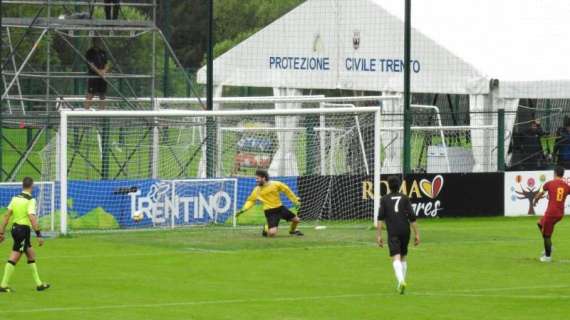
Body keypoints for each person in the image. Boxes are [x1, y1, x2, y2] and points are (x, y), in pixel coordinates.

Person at [0, 177, 50, 292]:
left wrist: (1, 231)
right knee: (15, 257)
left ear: (22, 186)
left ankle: (39, 284)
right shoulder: (30, 200)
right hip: (23, 231)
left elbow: (6, 216)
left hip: (15, 229)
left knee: (31, 255)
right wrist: (39, 235)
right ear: (31, 186)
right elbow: (32, 218)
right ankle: (3, 285)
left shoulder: (15, 198)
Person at [376, 176, 420, 294]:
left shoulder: (384, 199)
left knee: (396, 257)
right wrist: (417, 234)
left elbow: (380, 219)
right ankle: (400, 285)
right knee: (403, 256)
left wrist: (379, 236)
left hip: (393, 231)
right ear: (399, 185)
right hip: (406, 230)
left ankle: (401, 281)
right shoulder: (405, 198)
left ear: (388, 186)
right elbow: (412, 217)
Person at [237, 169, 303, 237]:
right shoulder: (256, 190)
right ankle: (266, 227)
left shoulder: (276, 184)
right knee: (272, 234)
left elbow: (287, 190)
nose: (256, 180)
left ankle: (292, 231)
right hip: (270, 212)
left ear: (264, 178)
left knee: (297, 220)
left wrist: (295, 201)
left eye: (257, 178)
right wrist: (244, 209)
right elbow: (250, 200)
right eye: (256, 178)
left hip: (280, 208)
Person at [533, 166, 570, 262]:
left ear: (554, 173)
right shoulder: (566, 186)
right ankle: (550, 246)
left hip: (551, 213)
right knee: (540, 223)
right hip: (560, 213)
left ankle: (547, 256)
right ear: (562, 174)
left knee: (546, 236)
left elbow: (540, 193)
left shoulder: (550, 183)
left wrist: (536, 200)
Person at [85, 38, 110, 110]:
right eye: (97, 41)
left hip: (102, 76)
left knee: (102, 94)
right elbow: (91, 65)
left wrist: (104, 71)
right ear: (94, 42)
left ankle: (102, 112)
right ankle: (86, 111)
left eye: (100, 41)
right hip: (93, 76)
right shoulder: (89, 52)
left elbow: (107, 63)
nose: (99, 43)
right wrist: (99, 72)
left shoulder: (103, 52)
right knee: (91, 93)